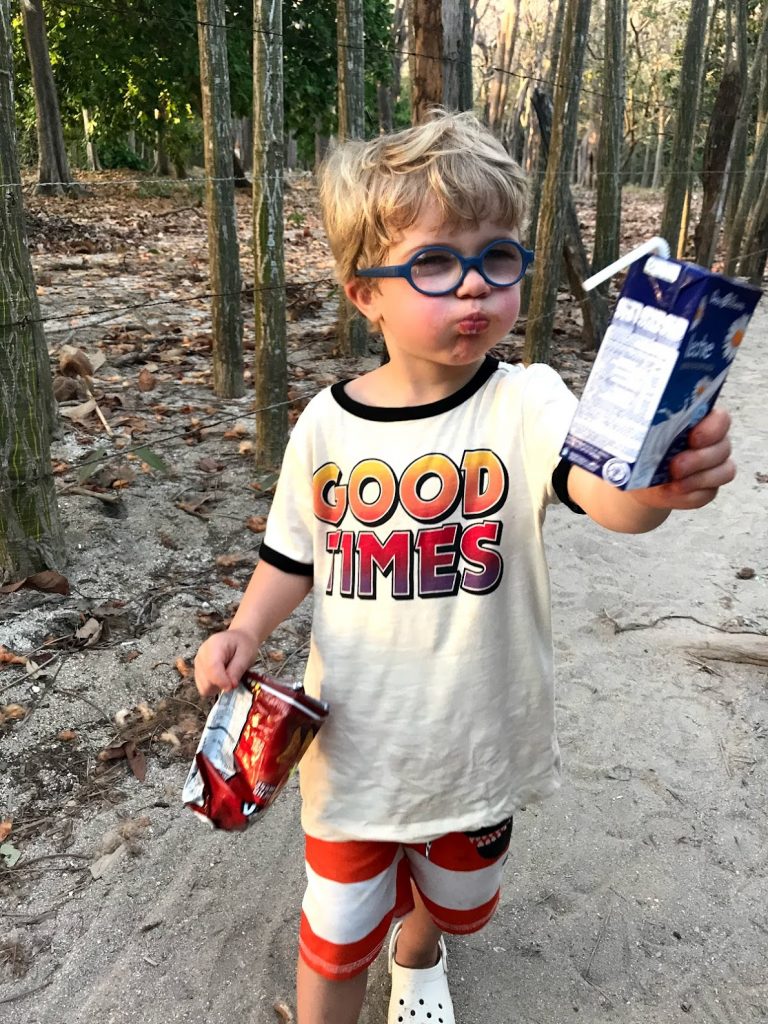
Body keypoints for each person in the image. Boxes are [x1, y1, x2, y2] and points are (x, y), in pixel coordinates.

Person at [194, 111, 735, 1024]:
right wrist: (246, 627)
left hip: (481, 742)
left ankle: (421, 953)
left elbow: (606, 496)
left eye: (499, 256)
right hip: (354, 753)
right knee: (331, 934)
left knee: (456, 903)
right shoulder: (325, 427)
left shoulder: (527, 402)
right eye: (436, 264)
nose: (475, 288)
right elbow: (293, 551)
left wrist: (661, 482)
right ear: (365, 292)